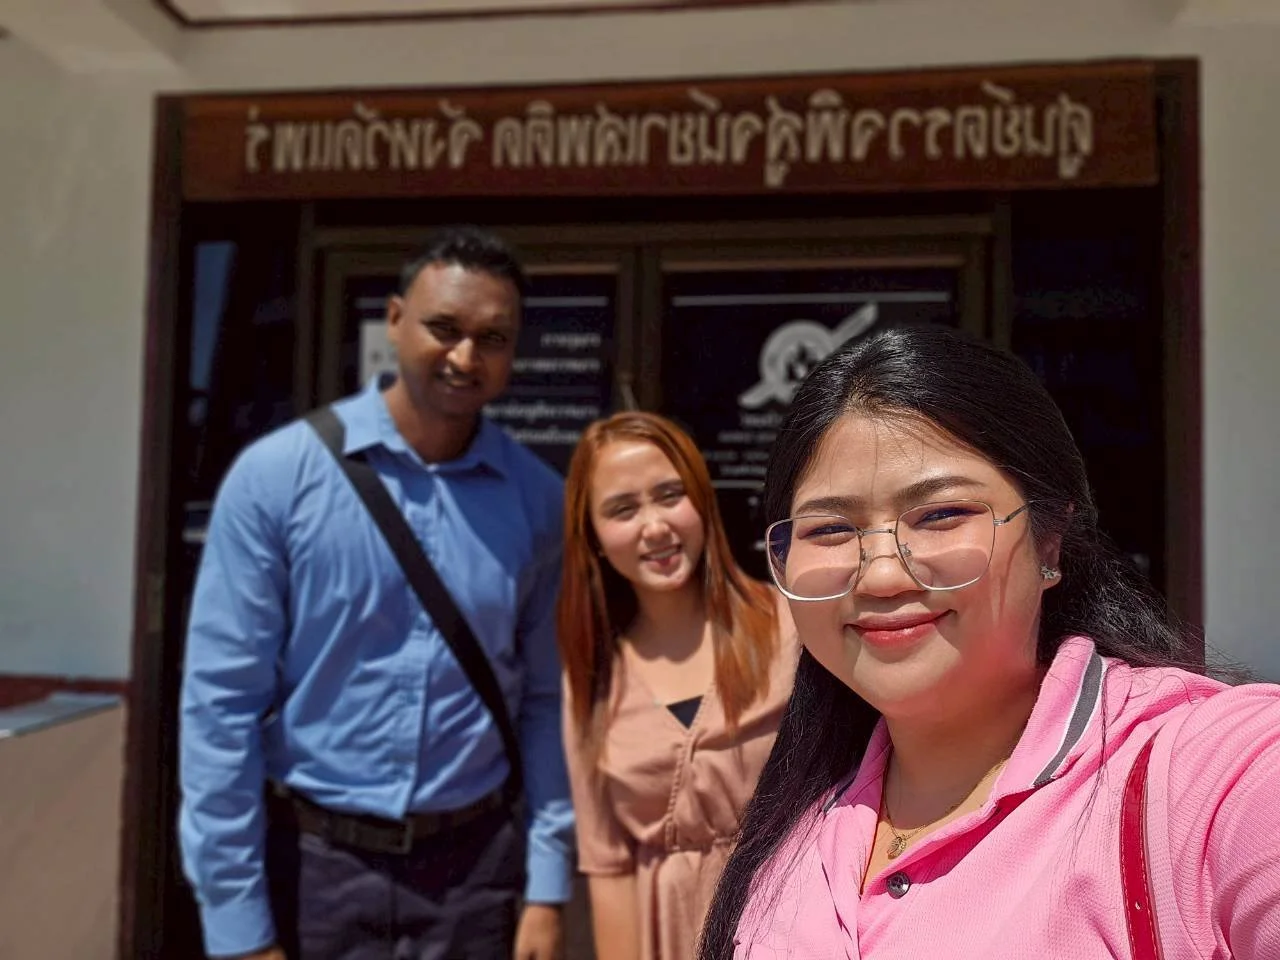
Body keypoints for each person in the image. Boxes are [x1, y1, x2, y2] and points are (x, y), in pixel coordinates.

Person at [699, 325, 1280, 960]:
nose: (884, 575)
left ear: (1051, 539)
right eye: (831, 529)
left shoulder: (1209, 775)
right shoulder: (800, 829)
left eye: (942, 515)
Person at [179, 226, 573, 960]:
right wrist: (237, 922)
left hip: (474, 872)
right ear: (394, 320)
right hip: (313, 865)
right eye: (443, 328)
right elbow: (220, 706)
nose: (465, 356)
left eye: (493, 337)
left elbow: (547, 701)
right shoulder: (278, 479)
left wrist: (546, 886)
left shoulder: (538, 503)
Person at [557, 412, 798, 960]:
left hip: (786, 926)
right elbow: (608, 866)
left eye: (671, 495)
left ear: (701, 501)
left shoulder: (791, 625)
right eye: (622, 509)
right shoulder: (592, 679)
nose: (656, 527)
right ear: (592, 536)